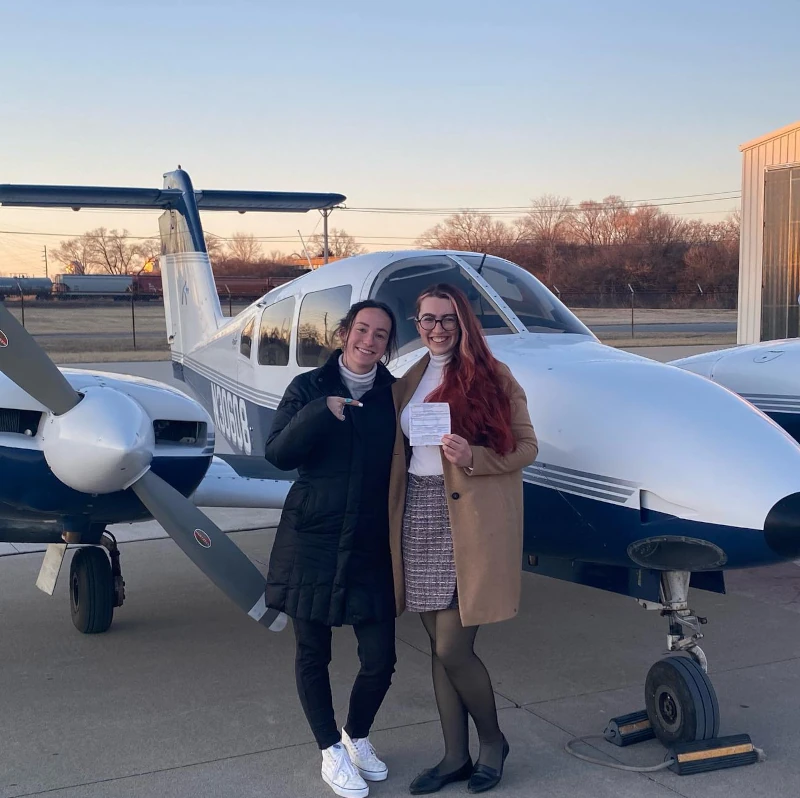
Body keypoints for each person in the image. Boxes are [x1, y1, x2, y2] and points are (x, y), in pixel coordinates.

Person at [387, 284, 538, 795]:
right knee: (436, 646)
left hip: (468, 518)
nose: (435, 328)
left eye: (446, 319)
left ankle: (492, 742)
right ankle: (454, 755)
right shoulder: (409, 377)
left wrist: (473, 455)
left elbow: (526, 448)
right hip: (420, 515)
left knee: (454, 646)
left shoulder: (494, 377)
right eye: (426, 319)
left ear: (464, 322)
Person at [265, 300, 400, 798]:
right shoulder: (309, 388)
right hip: (313, 539)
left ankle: (357, 735)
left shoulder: (393, 395)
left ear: (389, 344)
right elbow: (277, 453)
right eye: (361, 329)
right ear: (344, 333)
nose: (369, 340)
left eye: (381, 334)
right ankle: (330, 750)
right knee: (312, 653)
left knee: (380, 658)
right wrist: (321, 413)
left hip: (369, 542)